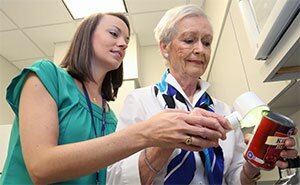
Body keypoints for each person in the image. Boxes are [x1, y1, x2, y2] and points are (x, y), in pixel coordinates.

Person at [0, 12, 232, 184]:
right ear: (86, 36)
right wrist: (147, 133)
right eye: (114, 33)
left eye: (127, 40)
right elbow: (41, 168)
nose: (122, 43)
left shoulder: (108, 116)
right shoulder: (47, 77)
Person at [107, 4, 298, 185]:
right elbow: (117, 178)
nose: (200, 50)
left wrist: (252, 165)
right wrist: (167, 142)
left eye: (206, 42)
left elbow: (235, 178)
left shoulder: (224, 110)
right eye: (189, 40)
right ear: (165, 47)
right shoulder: (140, 100)